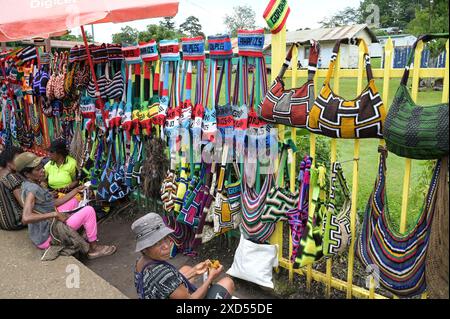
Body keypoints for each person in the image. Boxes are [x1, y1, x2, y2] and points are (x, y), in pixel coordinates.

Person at [15, 151, 116, 259]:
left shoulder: (29, 184)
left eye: (41, 167)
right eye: (37, 169)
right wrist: (55, 214)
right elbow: (26, 218)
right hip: (48, 236)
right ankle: (93, 249)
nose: (42, 170)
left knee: (73, 201)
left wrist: (76, 190)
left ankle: (82, 231)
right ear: (26, 174)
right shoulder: (32, 189)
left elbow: (54, 203)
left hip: (41, 231)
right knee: (89, 211)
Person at [132, 213, 235, 299]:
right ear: (144, 248)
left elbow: (166, 284)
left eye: (166, 238)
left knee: (186, 269)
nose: (166, 246)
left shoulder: (140, 262)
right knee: (227, 282)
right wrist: (210, 278)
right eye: (157, 243)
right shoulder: (161, 274)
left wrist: (194, 271)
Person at [0, 146, 25, 230]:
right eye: (18, 159)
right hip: (15, 221)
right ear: (8, 162)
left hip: (2, 222)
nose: (21, 162)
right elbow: (23, 203)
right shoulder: (11, 177)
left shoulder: (1, 172)